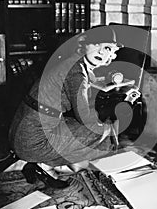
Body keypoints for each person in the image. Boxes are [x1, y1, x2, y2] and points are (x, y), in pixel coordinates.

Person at [7, 26, 123, 188]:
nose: (101, 52)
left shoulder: (71, 61)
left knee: (83, 130)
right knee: (105, 137)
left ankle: (40, 164)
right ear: (84, 44)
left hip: (20, 131)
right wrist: (112, 123)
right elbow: (85, 117)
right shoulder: (76, 72)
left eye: (108, 49)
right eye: (96, 44)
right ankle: (44, 165)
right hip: (32, 141)